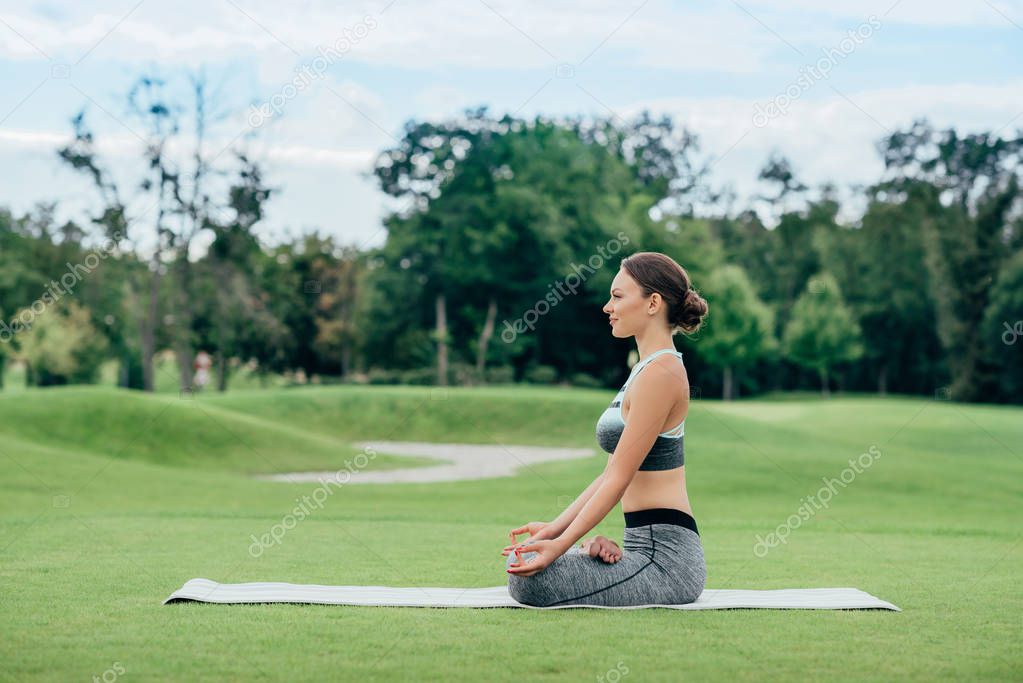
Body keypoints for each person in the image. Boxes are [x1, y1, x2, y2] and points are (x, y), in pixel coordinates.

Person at [502, 251, 710, 607]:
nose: (606, 307)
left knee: (531, 582)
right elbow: (610, 472)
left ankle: (587, 551)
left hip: (668, 561)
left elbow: (618, 481)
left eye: (617, 296)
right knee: (523, 560)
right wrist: (555, 530)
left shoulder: (662, 374)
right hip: (641, 548)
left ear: (652, 303)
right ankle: (594, 549)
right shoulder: (645, 369)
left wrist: (560, 547)